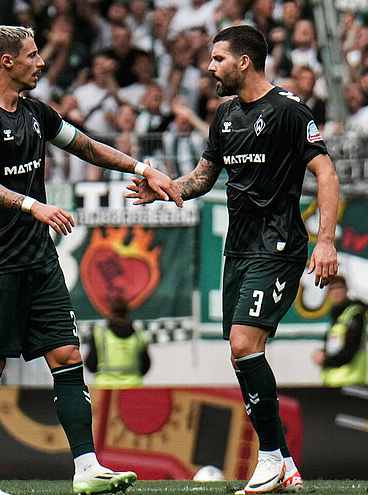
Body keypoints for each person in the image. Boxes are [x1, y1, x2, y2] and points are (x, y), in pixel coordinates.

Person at [0, 25, 182, 495]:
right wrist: (31, 205)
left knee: (67, 355)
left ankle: (86, 467)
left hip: (39, 261)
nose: (41, 63)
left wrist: (143, 168)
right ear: (7, 62)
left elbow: (85, 145)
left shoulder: (36, 112)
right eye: (33, 56)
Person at [127, 24, 340, 494]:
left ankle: (267, 460)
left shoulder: (289, 111)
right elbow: (204, 177)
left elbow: (325, 172)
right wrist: (167, 187)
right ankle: (285, 462)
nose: (210, 67)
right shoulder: (224, 116)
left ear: (244, 61)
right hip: (239, 250)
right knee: (243, 354)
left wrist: (326, 240)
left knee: (245, 344)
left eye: (218, 58)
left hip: (279, 245)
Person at [311, 276, 368, 387]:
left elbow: (350, 348)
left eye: (339, 288)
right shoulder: (336, 315)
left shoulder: (355, 314)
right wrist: (321, 354)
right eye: (332, 289)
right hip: (332, 380)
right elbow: (336, 347)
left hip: (351, 380)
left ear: (346, 289)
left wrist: (325, 360)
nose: (336, 292)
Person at [83, 297, 150, 389]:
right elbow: (146, 365)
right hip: (133, 387)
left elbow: (90, 364)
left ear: (111, 312)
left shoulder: (99, 334)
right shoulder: (139, 335)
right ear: (127, 312)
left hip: (105, 387)